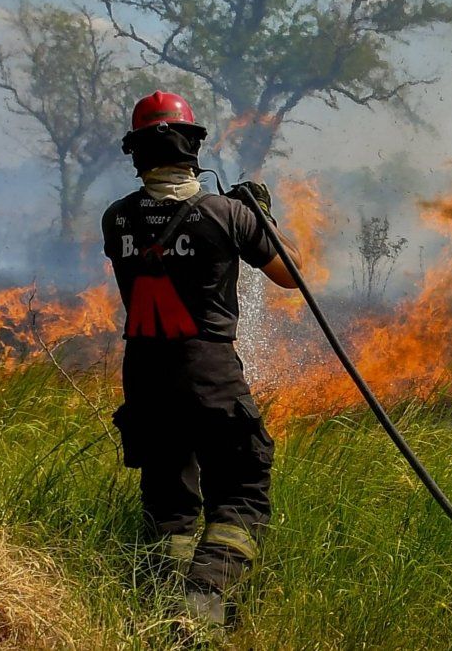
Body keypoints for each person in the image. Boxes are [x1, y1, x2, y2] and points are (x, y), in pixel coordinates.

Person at [101, 90, 303, 628]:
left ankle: (165, 610)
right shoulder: (226, 213)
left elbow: (154, 232)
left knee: (170, 508)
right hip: (207, 372)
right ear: (193, 146)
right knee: (240, 492)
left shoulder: (115, 218)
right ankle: (201, 602)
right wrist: (262, 216)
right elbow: (292, 274)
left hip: (144, 377)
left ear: (137, 152)